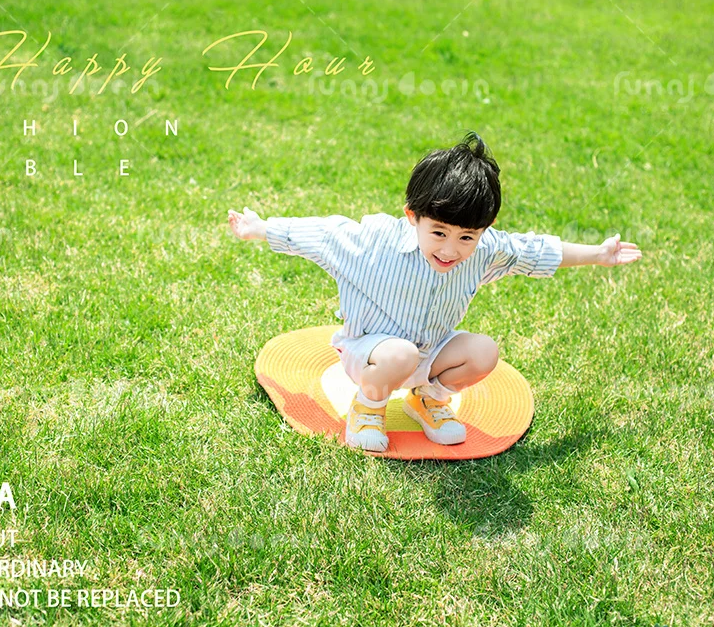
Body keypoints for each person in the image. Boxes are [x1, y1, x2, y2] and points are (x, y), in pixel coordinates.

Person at [228, 132, 642, 453]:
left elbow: (533, 251)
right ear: (413, 216)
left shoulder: (484, 250)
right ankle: (368, 408)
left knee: (483, 352)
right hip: (370, 354)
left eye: (467, 237)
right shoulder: (373, 242)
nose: (450, 249)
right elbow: (317, 233)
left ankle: (427, 400)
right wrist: (260, 228)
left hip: (430, 354)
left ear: (484, 229)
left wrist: (598, 254)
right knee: (399, 353)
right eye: (439, 232)